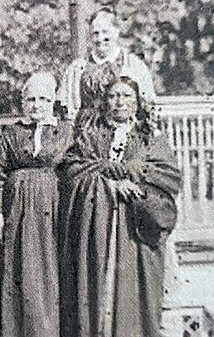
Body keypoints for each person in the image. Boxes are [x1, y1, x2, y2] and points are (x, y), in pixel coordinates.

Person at [57, 76, 181, 337]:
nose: (120, 102)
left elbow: (168, 175)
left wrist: (133, 177)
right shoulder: (91, 136)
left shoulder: (150, 137)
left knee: (135, 289)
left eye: (126, 96)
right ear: (105, 101)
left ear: (136, 102)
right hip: (99, 224)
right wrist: (110, 185)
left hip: (135, 226)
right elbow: (73, 169)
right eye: (114, 96)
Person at [0, 72, 73, 337]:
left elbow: (73, 172)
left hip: (51, 212)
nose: (36, 105)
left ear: (54, 99)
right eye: (31, 99)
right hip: (16, 213)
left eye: (43, 99)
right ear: (23, 101)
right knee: (16, 273)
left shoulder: (66, 131)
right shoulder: (12, 132)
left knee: (47, 273)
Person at [57, 7, 156, 121]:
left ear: (117, 31)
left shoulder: (134, 66)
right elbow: (64, 107)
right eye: (95, 33)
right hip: (85, 132)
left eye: (105, 32)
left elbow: (148, 104)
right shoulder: (76, 69)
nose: (100, 38)